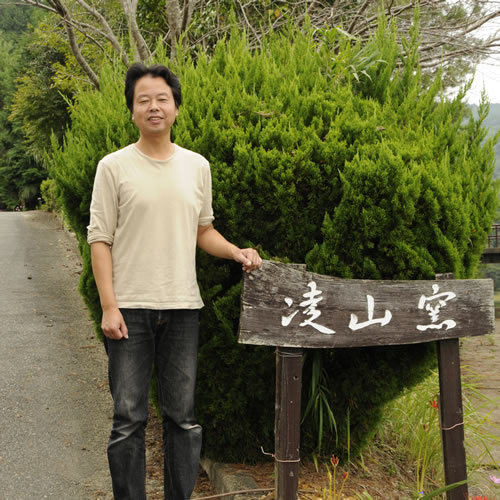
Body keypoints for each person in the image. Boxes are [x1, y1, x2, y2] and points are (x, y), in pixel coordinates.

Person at [87, 62, 262, 500]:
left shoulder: (196, 166)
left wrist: (236, 252)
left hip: (183, 308)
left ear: (176, 108)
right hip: (129, 309)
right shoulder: (113, 167)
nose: (153, 107)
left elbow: (203, 230)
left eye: (162, 98)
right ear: (131, 111)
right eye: (143, 99)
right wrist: (110, 306)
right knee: (128, 418)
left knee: (182, 417)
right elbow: (100, 239)